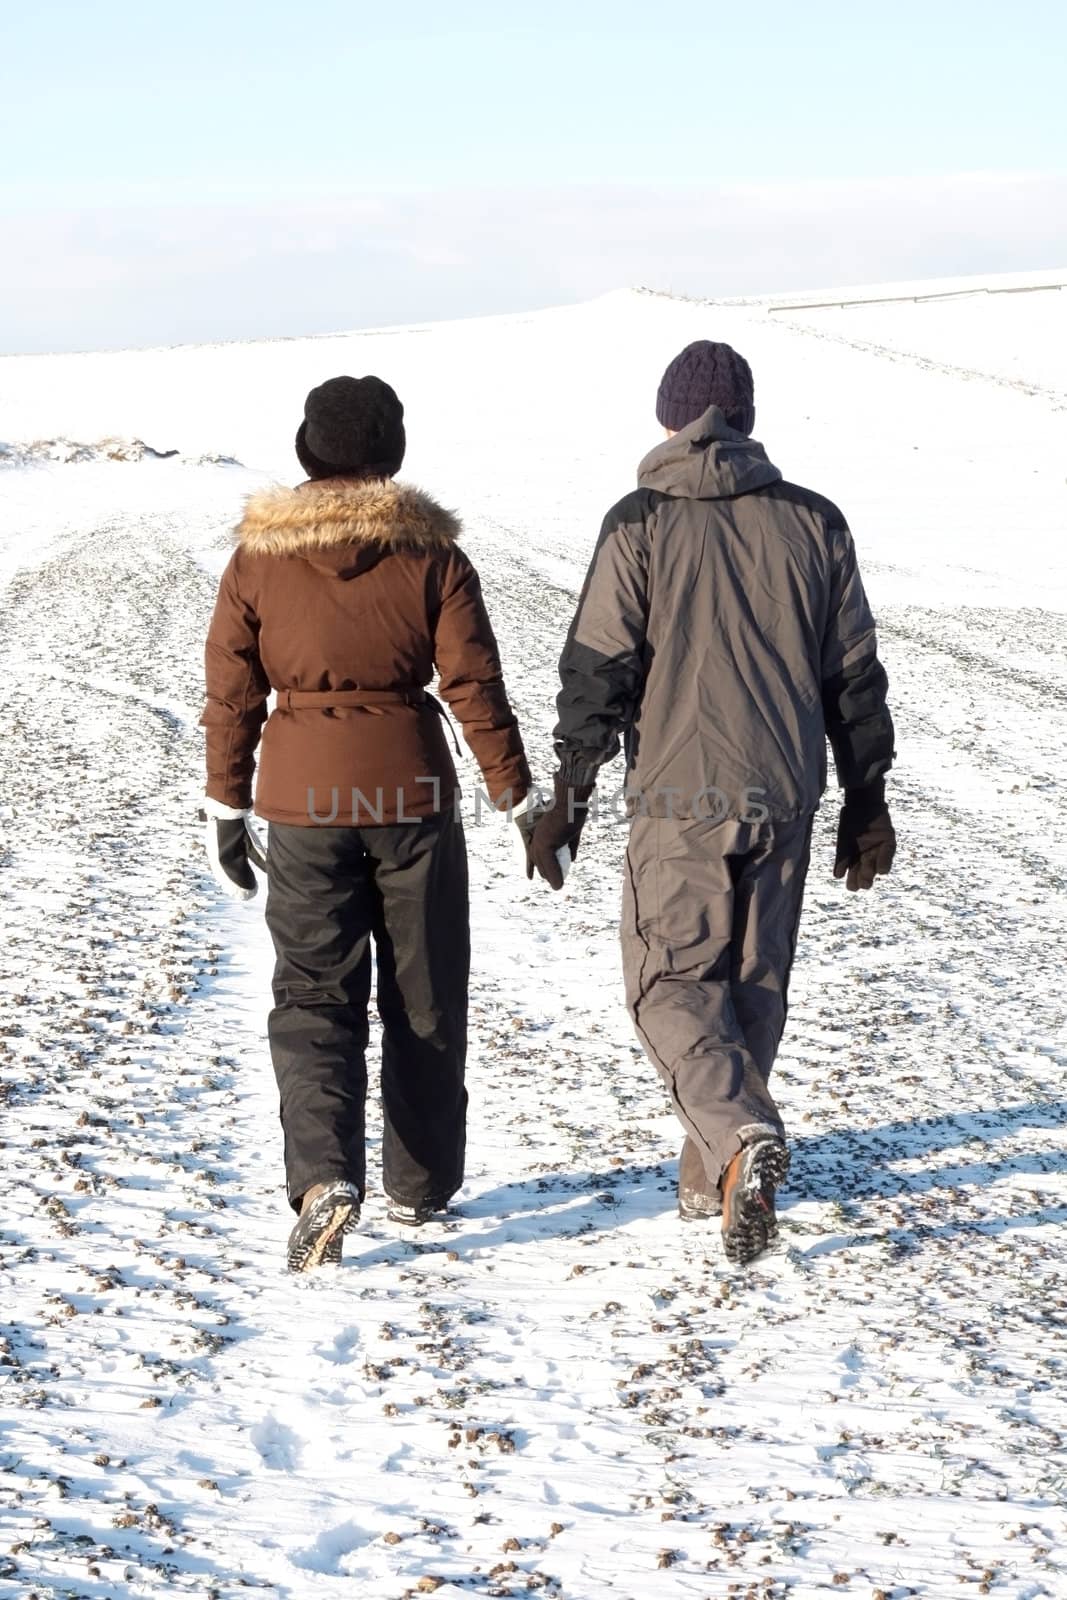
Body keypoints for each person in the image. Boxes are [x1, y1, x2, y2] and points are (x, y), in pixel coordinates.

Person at [527, 340, 895, 1265]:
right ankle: (717, 1179)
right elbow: (853, 676)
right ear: (749, 420)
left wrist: (568, 793)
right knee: (750, 982)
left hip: (680, 796)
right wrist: (866, 799)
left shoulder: (638, 522)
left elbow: (597, 670)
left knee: (667, 983)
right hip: (785, 789)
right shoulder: (816, 522)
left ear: (668, 420)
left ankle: (734, 1141)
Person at [200, 375, 530, 1271]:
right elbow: (473, 683)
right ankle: (419, 1187)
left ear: (309, 453)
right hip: (410, 798)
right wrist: (515, 791)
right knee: (424, 990)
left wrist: (226, 802)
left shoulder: (255, 560)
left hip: (301, 803)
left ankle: (321, 1179)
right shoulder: (432, 557)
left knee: (312, 994)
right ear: (392, 453)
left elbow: (233, 691)